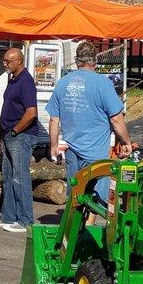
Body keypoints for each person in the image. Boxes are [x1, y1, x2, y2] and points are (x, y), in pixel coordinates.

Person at [46, 41, 132, 204]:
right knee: (96, 200)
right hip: (96, 153)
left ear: (77, 61)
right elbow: (116, 118)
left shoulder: (63, 83)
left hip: (72, 150)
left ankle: (75, 228)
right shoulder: (103, 83)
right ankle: (88, 228)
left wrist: (53, 146)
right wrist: (126, 141)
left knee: (76, 196)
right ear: (95, 61)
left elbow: (53, 119)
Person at [0, 48, 38, 233]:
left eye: (7, 61)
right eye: (4, 60)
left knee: (20, 177)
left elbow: (31, 112)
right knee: (8, 176)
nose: (4, 64)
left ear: (18, 61)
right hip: (9, 134)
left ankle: (25, 219)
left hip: (20, 135)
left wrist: (16, 131)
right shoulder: (12, 79)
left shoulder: (26, 81)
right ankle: (8, 215)